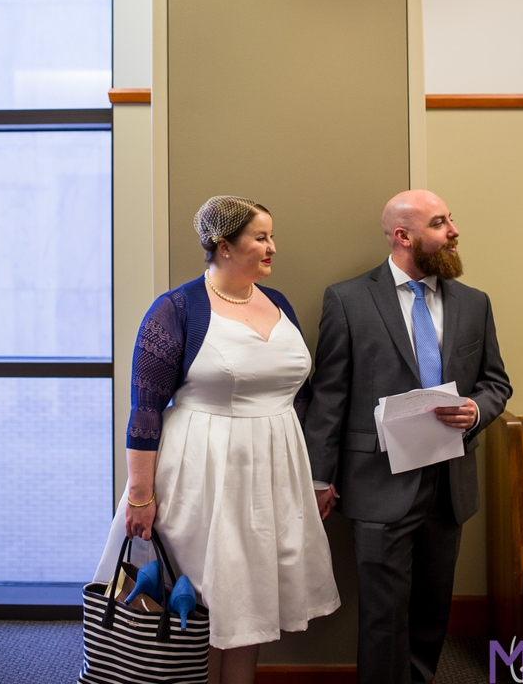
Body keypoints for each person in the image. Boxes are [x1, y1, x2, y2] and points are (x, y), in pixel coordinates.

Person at [93, 196, 340, 684]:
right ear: (224, 246)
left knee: (251, 598)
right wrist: (140, 494)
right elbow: (144, 410)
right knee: (203, 595)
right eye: (261, 238)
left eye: (272, 236)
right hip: (202, 468)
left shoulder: (279, 303)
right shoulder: (175, 310)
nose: (273, 247)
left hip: (274, 470)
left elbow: (303, 398)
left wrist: (316, 475)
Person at [302, 189, 512, 684]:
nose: (454, 231)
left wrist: (476, 409)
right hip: (376, 483)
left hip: (449, 486)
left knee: (432, 610)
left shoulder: (473, 303)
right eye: (440, 223)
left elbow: (496, 383)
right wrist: (317, 478)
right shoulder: (348, 300)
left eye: (450, 220)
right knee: (381, 617)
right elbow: (329, 395)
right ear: (403, 236)